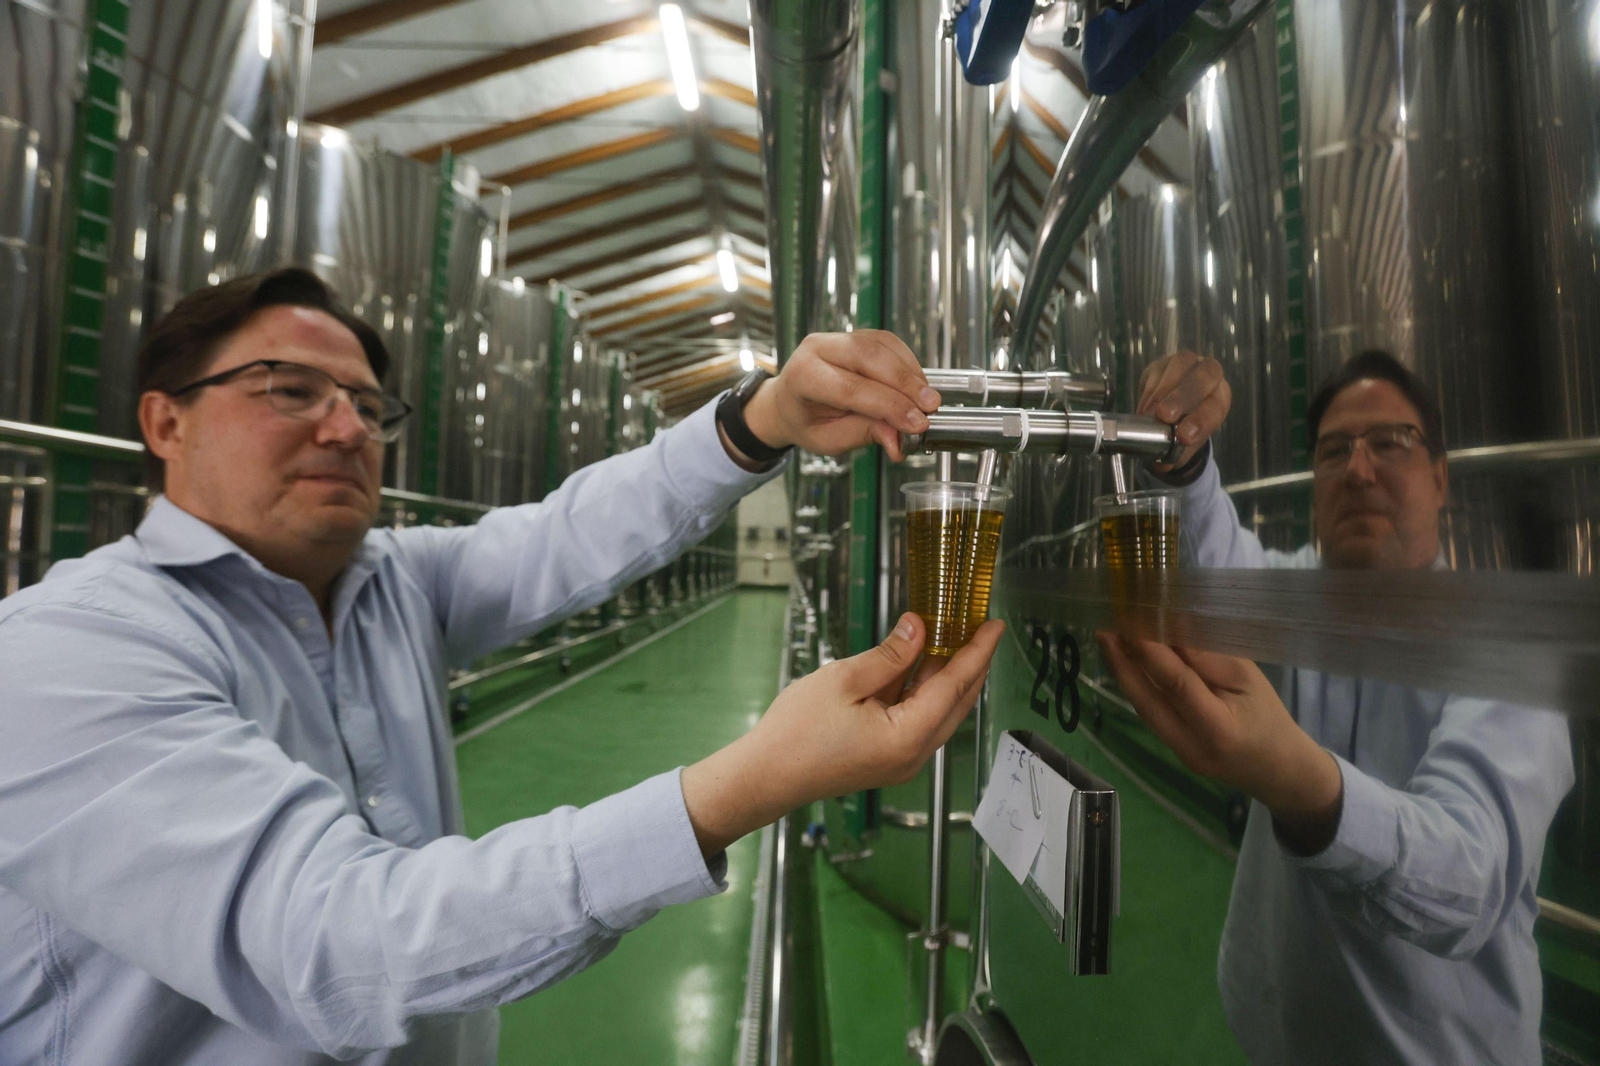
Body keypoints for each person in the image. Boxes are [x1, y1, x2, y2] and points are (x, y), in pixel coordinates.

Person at [0, 268, 1002, 1064]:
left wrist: (764, 417)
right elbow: (335, 940)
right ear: (165, 422)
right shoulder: (70, 651)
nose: (345, 429)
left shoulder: (385, 582)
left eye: (366, 405)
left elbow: (565, 536)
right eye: (289, 391)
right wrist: (748, 783)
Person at [1096, 349, 1574, 1066]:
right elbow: (1213, 566)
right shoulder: (1296, 600)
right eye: (1333, 450)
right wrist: (1181, 461)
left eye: (1391, 442)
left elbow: (1468, 878)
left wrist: (1296, 781)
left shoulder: (1508, 646)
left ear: (1440, 477)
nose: (1358, 470)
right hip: (1277, 1040)